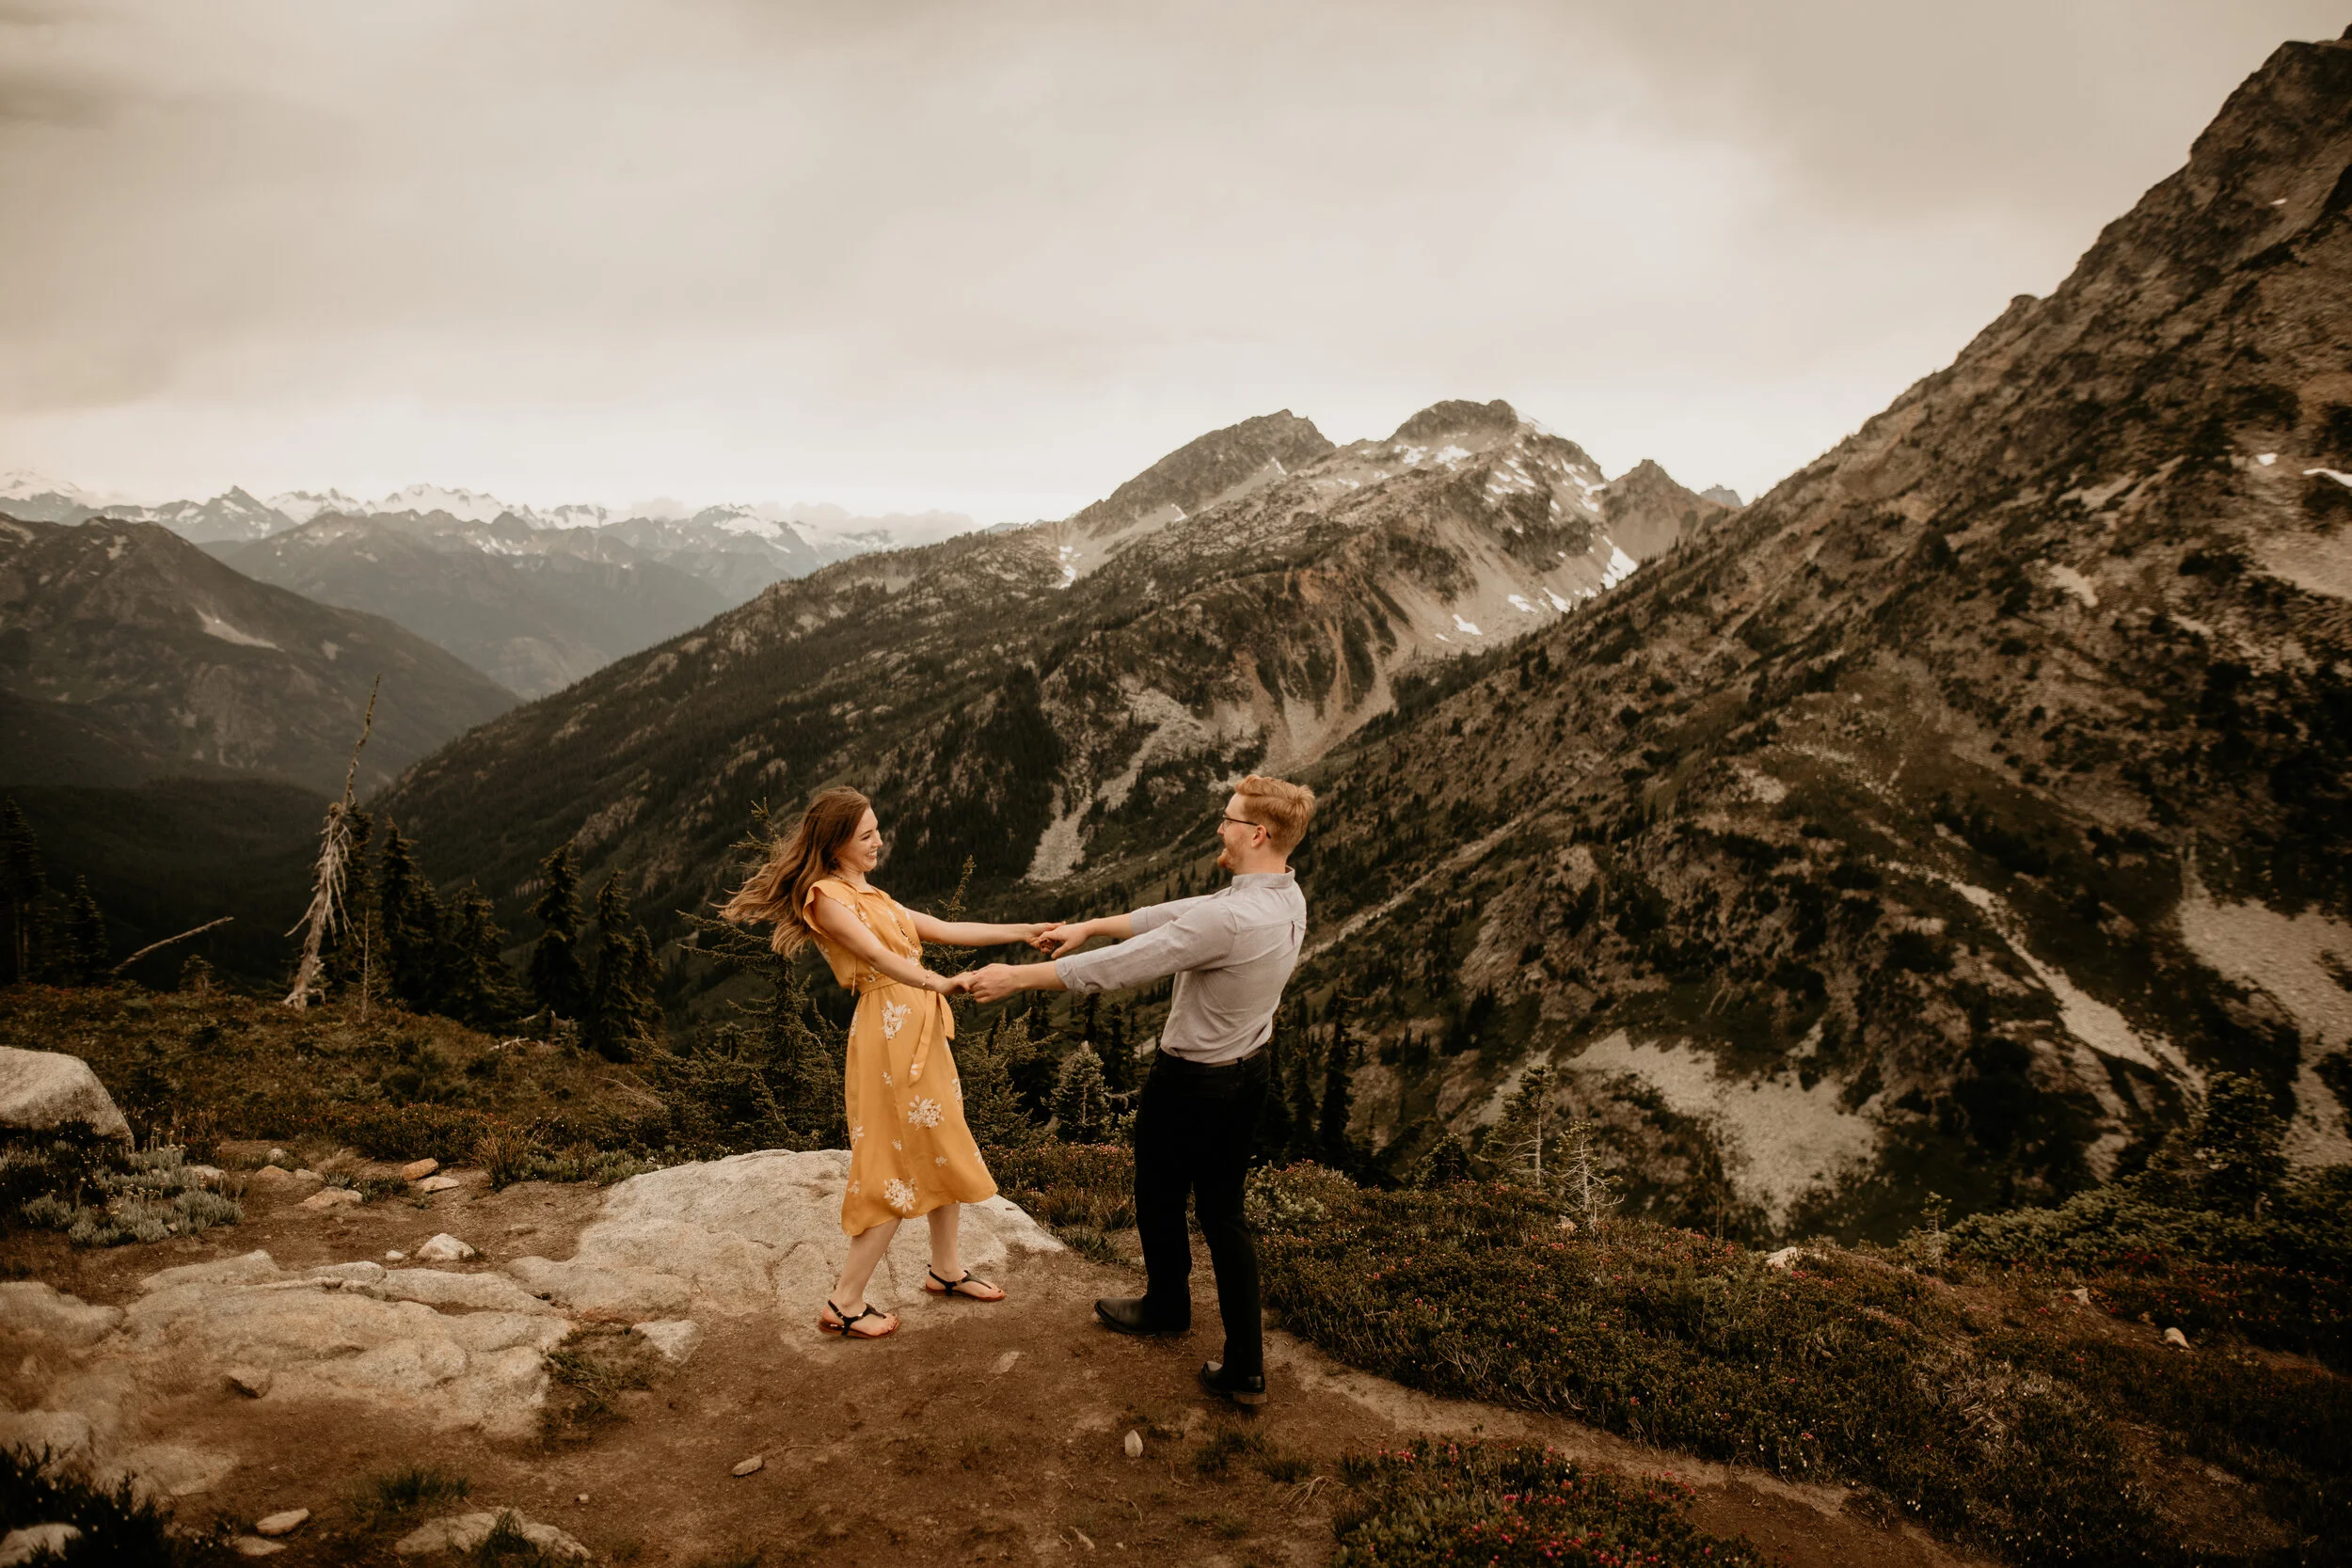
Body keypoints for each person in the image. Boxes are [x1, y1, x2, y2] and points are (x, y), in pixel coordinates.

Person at [964, 773, 1315, 1406]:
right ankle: (1245, 1366)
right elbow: (1184, 912)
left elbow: (1125, 967)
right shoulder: (1286, 896)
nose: (1220, 827)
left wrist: (1018, 977)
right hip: (1247, 1073)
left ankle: (1167, 1306)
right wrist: (1092, 922)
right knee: (1224, 1213)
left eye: (1230, 819)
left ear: (1258, 833)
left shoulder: (1231, 918)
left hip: (1191, 1082)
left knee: (1157, 1190)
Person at [722, 786, 1053, 1340]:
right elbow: (877, 957)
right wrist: (937, 981)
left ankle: (945, 1270)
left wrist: (1025, 931)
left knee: (943, 1142)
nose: (879, 841)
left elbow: (944, 930)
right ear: (835, 844)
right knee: (895, 1161)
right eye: (866, 834)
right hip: (889, 1032)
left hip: (919, 1026)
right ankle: (844, 1301)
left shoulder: (870, 893)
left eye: (877, 829)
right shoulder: (827, 897)